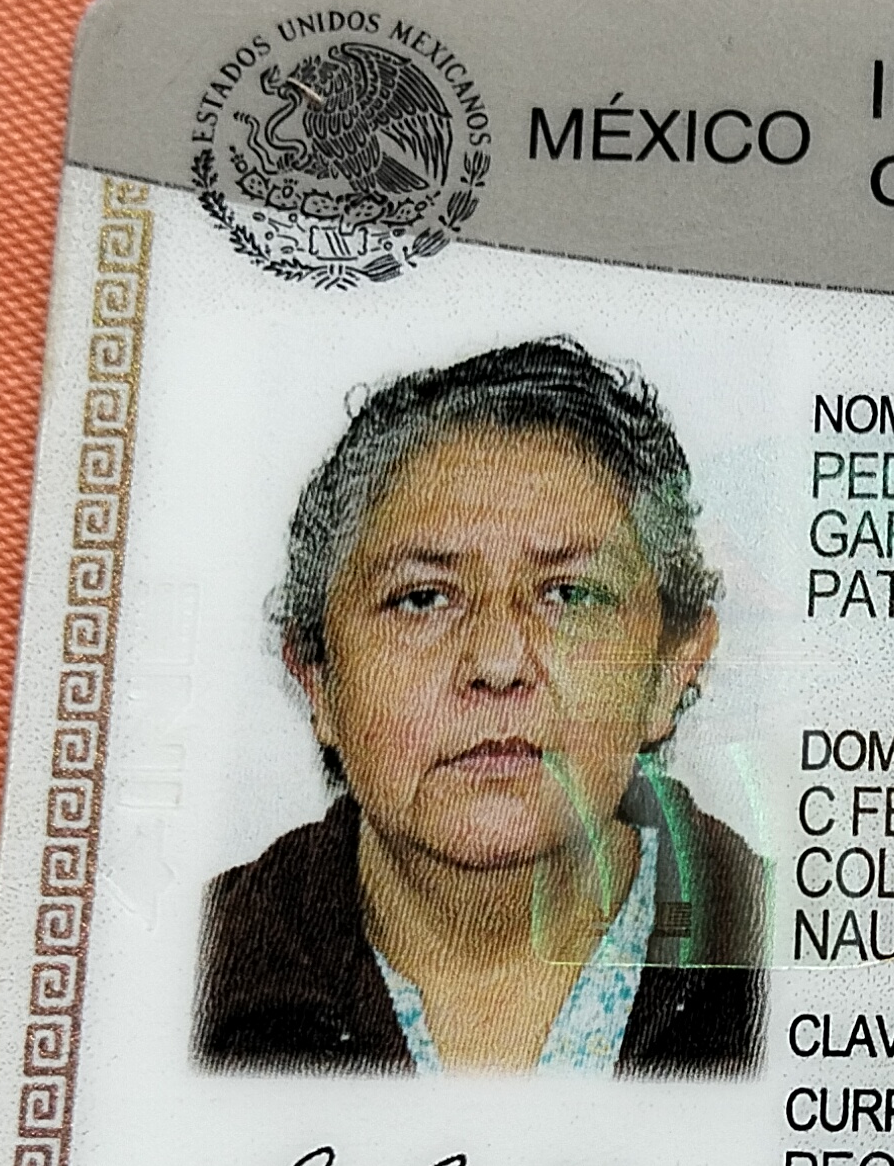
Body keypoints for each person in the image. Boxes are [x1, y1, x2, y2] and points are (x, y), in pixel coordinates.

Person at [196, 339, 764, 1071]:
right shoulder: (172, 978)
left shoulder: (803, 961)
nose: (498, 663)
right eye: (422, 599)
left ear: (668, 671)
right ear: (317, 677)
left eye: (571, 595)